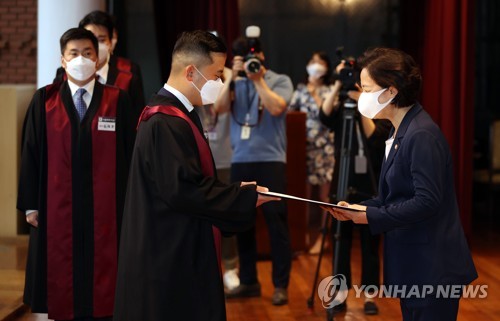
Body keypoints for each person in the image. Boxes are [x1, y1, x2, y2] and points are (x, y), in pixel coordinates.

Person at [113, 30, 278, 321]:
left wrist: (236, 190)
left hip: (174, 242)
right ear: (191, 72)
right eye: (215, 75)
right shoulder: (165, 120)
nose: (218, 82)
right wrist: (242, 197)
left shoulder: (178, 113)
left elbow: (187, 181)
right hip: (167, 253)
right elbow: (183, 190)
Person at [324, 47, 477, 321]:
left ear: (391, 91)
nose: (363, 96)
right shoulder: (399, 129)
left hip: (432, 267)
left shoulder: (421, 134)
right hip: (415, 262)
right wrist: (357, 209)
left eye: (368, 89)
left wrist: (369, 216)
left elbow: (427, 201)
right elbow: (393, 196)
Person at [17, 28, 136, 321]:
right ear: (63, 59)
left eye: (87, 53)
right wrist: (31, 204)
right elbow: (30, 153)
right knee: (61, 286)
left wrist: (135, 204)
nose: (81, 59)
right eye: (74, 53)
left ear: (98, 59)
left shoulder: (118, 101)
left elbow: (132, 154)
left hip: (109, 209)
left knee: (107, 290)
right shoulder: (44, 101)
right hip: (57, 208)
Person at [215, 30, 293, 305]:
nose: (250, 61)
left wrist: (257, 79)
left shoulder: (279, 80)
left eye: (253, 56)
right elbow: (220, 109)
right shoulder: (234, 82)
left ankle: (280, 285)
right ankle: (248, 281)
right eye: (243, 59)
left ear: (261, 55)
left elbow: (276, 107)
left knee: (277, 223)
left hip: (271, 160)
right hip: (241, 160)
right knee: (242, 222)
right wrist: (231, 79)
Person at [319, 59, 390, 315]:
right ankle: (340, 294)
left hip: (369, 181)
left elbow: (374, 137)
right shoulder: (341, 107)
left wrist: (362, 103)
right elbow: (324, 116)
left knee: (370, 243)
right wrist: (338, 83)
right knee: (341, 240)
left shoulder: (377, 112)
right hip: (343, 178)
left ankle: (370, 296)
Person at [195, 65, 240, 290]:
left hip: (225, 161)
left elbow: (220, 107)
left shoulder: (228, 88)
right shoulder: (196, 88)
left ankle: (230, 268)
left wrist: (229, 76)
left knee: (226, 217)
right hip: (199, 163)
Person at [54, 10, 145, 119]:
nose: (95, 45)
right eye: (90, 39)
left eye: (101, 40)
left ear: (111, 42)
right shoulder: (63, 76)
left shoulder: (128, 79)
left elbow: (137, 122)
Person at [288, 51, 336, 255]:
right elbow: (290, 115)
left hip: (325, 148)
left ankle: (324, 238)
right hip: (304, 149)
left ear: (326, 68)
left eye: (320, 62)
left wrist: (318, 92)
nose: (316, 65)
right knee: (304, 197)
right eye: (313, 61)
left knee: (325, 198)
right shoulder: (299, 90)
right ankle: (302, 236)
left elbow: (329, 115)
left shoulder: (330, 90)